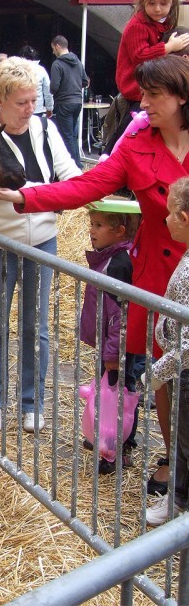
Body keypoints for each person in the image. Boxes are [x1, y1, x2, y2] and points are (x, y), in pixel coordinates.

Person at [0, 55, 189, 492]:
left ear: (181, 97)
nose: (142, 103)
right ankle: (174, 463)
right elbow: (85, 186)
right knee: (166, 369)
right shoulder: (136, 146)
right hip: (157, 275)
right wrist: (25, 195)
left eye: (152, 95)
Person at [0, 56, 82, 433]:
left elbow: (71, 178)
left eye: (33, 100)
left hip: (42, 243)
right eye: (22, 102)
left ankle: (32, 403)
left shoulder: (46, 129)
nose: (30, 109)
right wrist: (45, 192)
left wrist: (25, 193)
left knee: (37, 327)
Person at [80, 203, 141, 474]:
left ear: (119, 231)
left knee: (123, 393)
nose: (92, 231)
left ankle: (119, 447)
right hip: (110, 345)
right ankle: (104, 437)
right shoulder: (108, 257)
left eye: (99, 226)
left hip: (120, 349)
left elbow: (120, 317)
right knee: (109, 391)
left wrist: (113, 355)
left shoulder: (119, 264)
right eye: (92, 224)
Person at [105, 0, 189, 154]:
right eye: (152, 3)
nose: (157, 8)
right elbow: (140, 56)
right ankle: (111, 154)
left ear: (172, 3)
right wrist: (169, 47)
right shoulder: (137, 25)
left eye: (163, 3)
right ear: (143, 0)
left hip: (149, 85)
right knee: (133, 123)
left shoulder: (163, 23)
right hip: (135, 88)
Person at [145, 176, 189, 525]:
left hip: (183, 372)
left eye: (171, 214)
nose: (166, 220)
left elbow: (188, 345)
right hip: (179, 370)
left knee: (185, 443)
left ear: (185, 219)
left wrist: (157, 374)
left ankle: (178, 505)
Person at [50, 35, 88, 169]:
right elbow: (85, 81)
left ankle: (74, 166)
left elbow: (54, 87)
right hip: (78, 101)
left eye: (53, 49)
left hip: (64, 102)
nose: (53, 52)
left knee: (66, 136)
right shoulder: (77, 61)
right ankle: (78, 164)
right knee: (72, 135)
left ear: (57, 46)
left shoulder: (57, 64)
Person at [19, 45, 54, 118]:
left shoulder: (17, 69)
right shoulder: (41, 70)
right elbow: (48, 91)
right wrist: (49, 108)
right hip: (37, 108)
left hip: (20, 107)